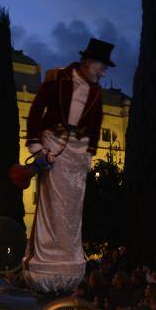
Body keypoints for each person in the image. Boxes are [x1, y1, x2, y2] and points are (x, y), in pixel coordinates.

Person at [22, 38, 113, 293]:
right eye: (102, 66)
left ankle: (69, 258)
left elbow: (95, 123)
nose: (103, 72)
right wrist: (35, 144)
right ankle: (47, 259)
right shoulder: (57, 77)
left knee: (73, 208)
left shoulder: (95, 92)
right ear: (88, 62)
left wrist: (89, 153)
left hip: (77, 152)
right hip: (53, 141)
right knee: (51, 204)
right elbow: (37, 109)